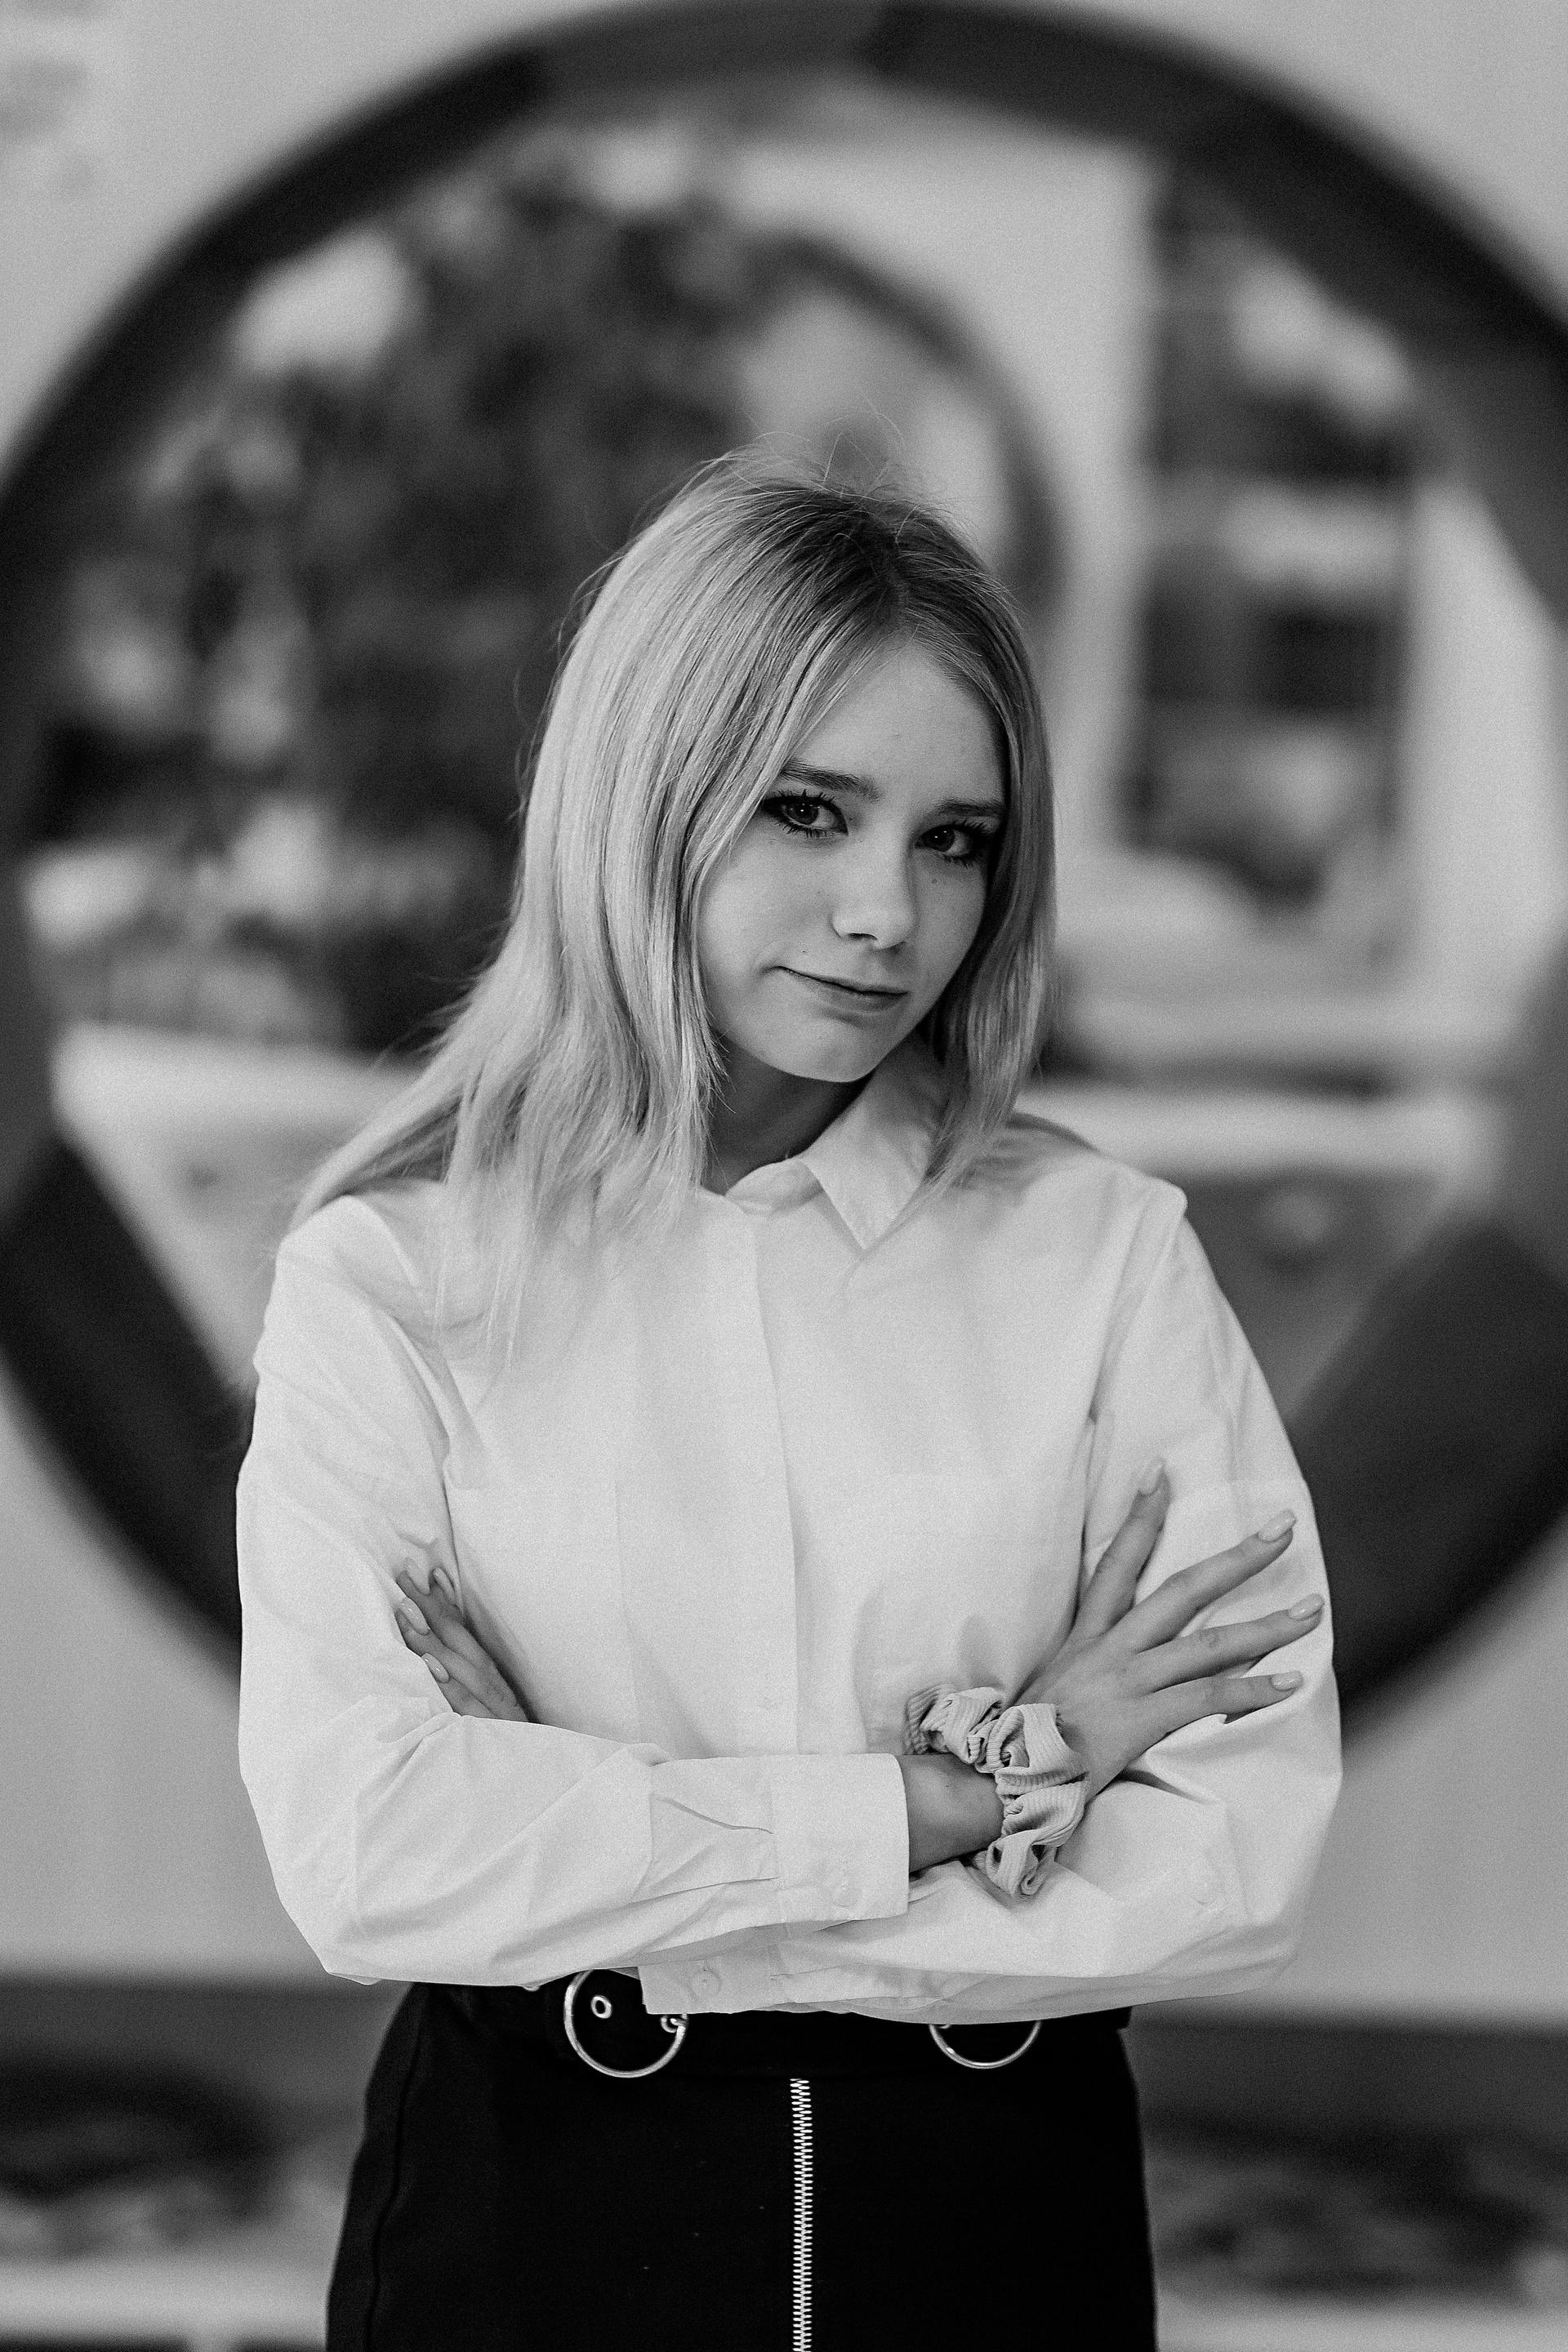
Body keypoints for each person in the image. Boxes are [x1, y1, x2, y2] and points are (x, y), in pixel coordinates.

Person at [236, 464, 1339, 2352]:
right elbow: (370, 1855)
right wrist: (957, 1800)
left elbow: (1237, 1855)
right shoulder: (392, 1285)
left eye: (956, 840)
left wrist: (599, 1839)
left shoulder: (1104, 1262)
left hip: (998, 2240)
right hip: (522, 2238)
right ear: (644, 797)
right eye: (808, 810)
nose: (885, 913)